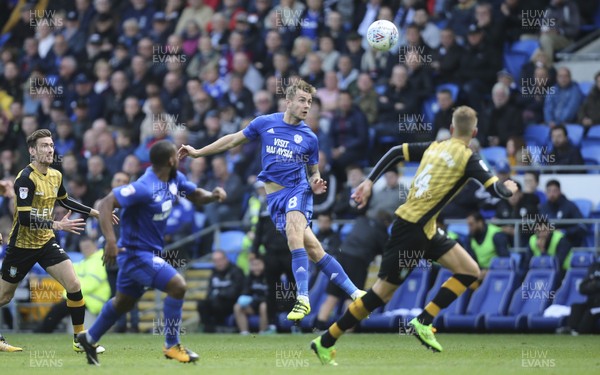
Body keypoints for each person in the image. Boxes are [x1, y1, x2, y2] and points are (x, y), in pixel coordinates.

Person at [311, 106, 517, 365]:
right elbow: (497, 189)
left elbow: (396, 151)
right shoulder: (469, 157)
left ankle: (424, 320)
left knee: (469, 270)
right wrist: (509, 185)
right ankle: (325, 340)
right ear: (474, 132)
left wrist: (368, 181)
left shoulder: (435, 146)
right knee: (380, 295)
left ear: (452, 129)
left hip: (424, 227)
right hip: (411, 230)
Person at [178, 80, 365, 323]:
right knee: (315, 250)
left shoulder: (310, 137)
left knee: (293, 234)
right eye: (302, 100)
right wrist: (198, 152)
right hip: (274, 197)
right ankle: (356, 292)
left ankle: (303, 298)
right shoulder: (265, 123)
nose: (307, 106)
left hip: (298, 189)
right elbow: (232, 140)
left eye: (309, 102)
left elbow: (314, 171)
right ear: (288, 102)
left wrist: (316, 182)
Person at [75, 140, 226, 365]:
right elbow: (107, 203)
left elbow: (196, 195)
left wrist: (212, 196)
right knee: (178, 286)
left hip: (148, 252)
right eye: (176, 155)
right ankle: (171, 345)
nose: (179, 158)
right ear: (171, 160)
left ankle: (89, 337)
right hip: (135, 253)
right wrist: (110, 241)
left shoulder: (175, 179)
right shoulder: (144, 186)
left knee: (123, 303)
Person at [0, 129, 117, 354]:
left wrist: (95, 212)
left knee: (74, 285)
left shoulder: (56, 175)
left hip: (45, 243)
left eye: (51, 145)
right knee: (5, 296)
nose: (49, 149)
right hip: (21, 246)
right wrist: (57, 225)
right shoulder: (25, 178)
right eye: (44, 145)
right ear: (32, 151)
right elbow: (24, 218)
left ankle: (80, 339)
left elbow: (66, 200)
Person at [36, 236, 111, 333]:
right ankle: (43, 330)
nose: (85, 250)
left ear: (95, 246)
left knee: (58, 310)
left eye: (87, 247)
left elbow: (91, 283)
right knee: (58, 308)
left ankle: (42, 331)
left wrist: (71, 291)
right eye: (83, 248)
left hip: (92, 301)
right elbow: (69, 275)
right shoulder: (86, 261)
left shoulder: (98, 260)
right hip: (85, 298)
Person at [198, 250, 245, 333]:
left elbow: (235, 291)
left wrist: (219, 294)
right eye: (215, 261)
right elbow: (210, 290)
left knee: (217, 303)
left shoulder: (236, 271)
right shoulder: (214, 272)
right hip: (216, 301)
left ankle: (219, 327)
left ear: (226, 259)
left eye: (220, 260)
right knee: (202, 304)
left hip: (231, 302)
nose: (218, 263)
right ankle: (207, 329)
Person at [466, 212, 510, 281]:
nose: (469, 228)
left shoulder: (496, 235)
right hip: (480, 273)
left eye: (471, 225)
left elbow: (504, 260)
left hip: (497, 273)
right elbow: (470, 259)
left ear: (480, 223)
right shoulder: (470, 237)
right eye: (468, 225)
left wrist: (489, 271)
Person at [234, 257, 269, 335]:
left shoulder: (269, 277)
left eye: (258, 264)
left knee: (263, 306)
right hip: (253, 304)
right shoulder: (249, 278)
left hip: (268, 306)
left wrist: (257, 300)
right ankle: (244, 332)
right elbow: (245, 292)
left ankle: (263, 332)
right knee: (237, 306)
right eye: (253, 265)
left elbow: (271, 296)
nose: (256, 268)